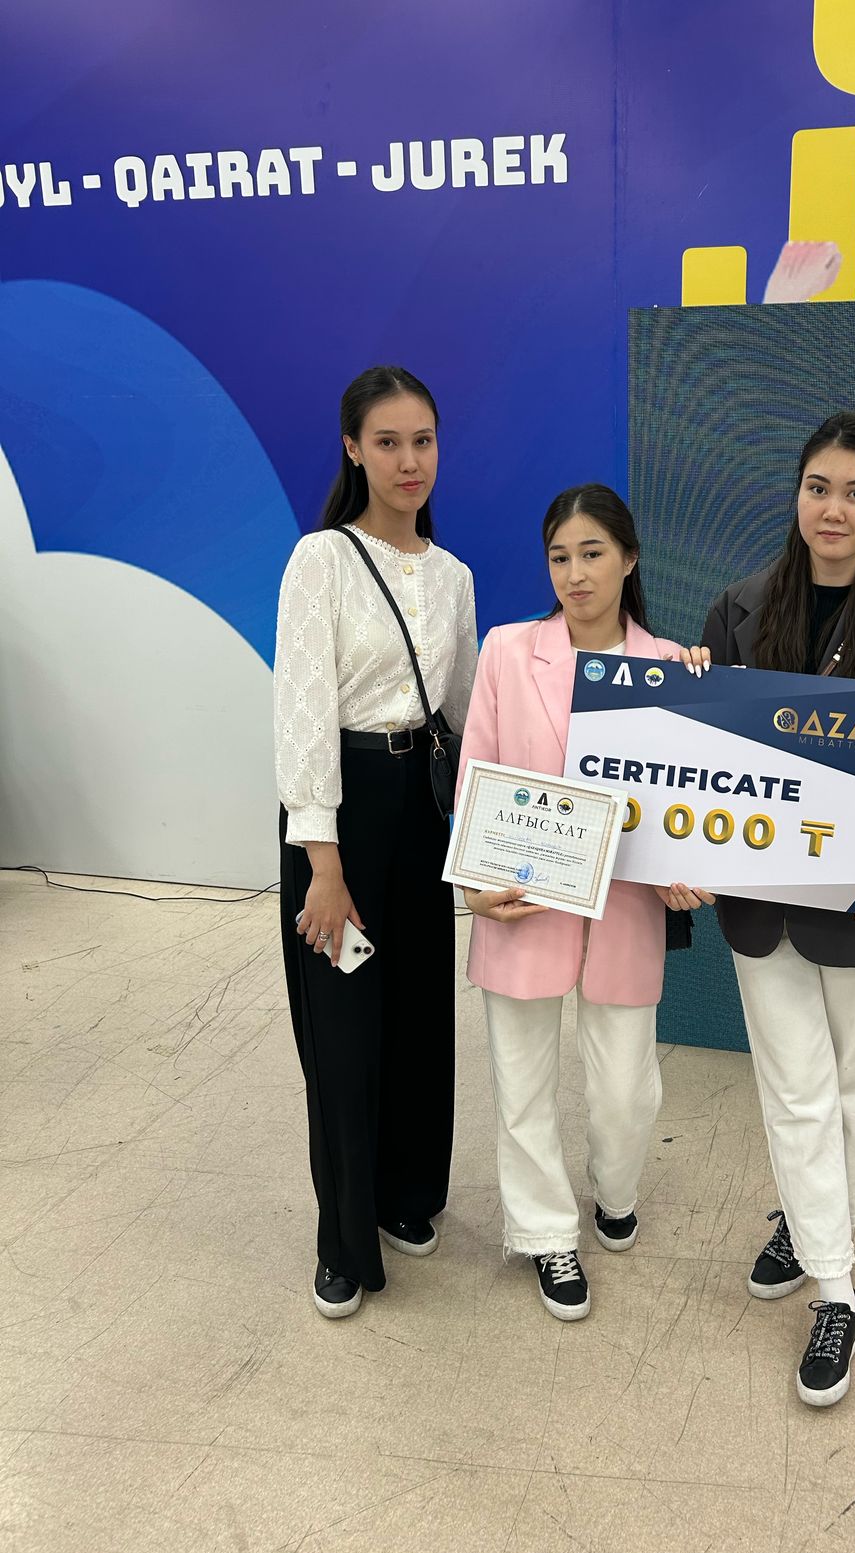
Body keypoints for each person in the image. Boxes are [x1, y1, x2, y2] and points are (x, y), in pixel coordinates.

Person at [695, 411, 855, 1404]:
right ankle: (838, 1292)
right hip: (760, 906)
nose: (832, 509)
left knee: (849, 1087)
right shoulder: (738, 608)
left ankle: (815, 1226)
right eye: (818, 487)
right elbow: (702, 759)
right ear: (796, 494)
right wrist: (684, 698)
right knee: (797, 1090)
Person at [458, 484, 712, 1320]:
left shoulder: (672, 664)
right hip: (523, 900)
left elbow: (691, 799)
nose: (575, 573)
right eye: (560, 557)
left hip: (627, 908)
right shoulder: (507, 650)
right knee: (522, 1082)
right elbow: (478, 771)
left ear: (629, 558)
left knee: (626, 1090)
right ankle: (545, 1235)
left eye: (593, 553)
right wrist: (474, 881)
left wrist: (686, 867)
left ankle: (615, 1191)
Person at [274, 365, 477, 1319]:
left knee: (418, 1011)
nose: (408, 461)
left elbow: (470, 716)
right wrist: (321, 861)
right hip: (340, 821)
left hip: (419, 813)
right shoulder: (320, 559)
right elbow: (301, 711)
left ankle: (406, 1196)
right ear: (353, 449)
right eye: (388, 442)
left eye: (422, 441)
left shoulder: (453, 578)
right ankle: (344, 1242)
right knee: (345, 1028)